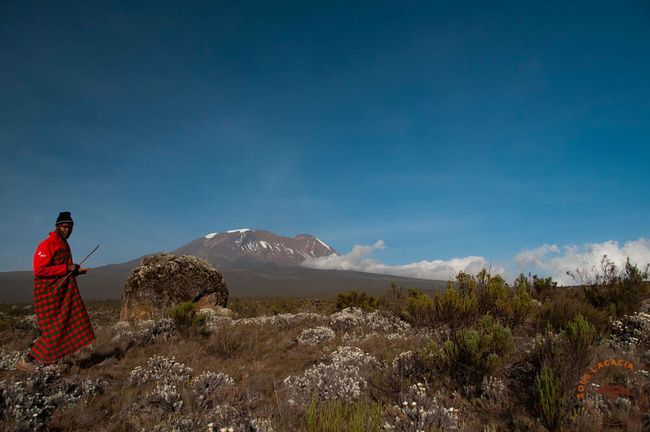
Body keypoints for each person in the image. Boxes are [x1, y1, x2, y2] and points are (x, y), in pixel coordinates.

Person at [16, 211, 95, 374]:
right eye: (64, 227)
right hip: (48, 294)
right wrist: (67, 267)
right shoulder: (47, 245)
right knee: (54, 329)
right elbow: (39, 270)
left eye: (70, 227)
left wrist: (75, 271)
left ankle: (53, 359)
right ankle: (27, 360)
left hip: (61, 294)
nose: (67, 230)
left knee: (65, 324)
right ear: (57, 227)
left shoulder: (64, 245)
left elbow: (58, 270)